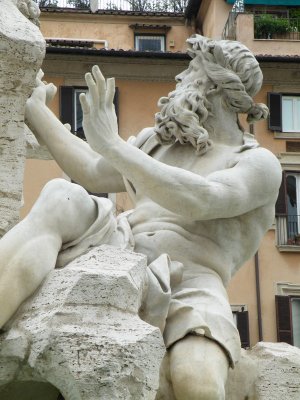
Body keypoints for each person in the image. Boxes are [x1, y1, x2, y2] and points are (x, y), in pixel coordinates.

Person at [0, 35, 282, 400]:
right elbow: (90, 168)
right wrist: (34, 107)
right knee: (62, 195)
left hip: (192, 279)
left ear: (214, 86)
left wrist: (115, 146)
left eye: (190, 71)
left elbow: (202, 199)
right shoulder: (158, 142)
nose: (179, 81)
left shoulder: (256, 163)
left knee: (196, 381)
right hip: (120, 244)